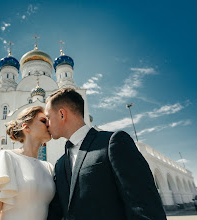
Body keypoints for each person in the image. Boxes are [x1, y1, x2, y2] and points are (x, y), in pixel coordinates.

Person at [45, 88, 167, 220]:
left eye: (48, 117)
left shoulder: (113, 143)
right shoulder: (60, 163)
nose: (46, 124)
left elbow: (145, 206)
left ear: (62, 114)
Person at [0, 106, 55, 220]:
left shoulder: (49, 167)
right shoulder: (5, 158)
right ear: (26, 127)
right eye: (43, 121)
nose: (48, 124)